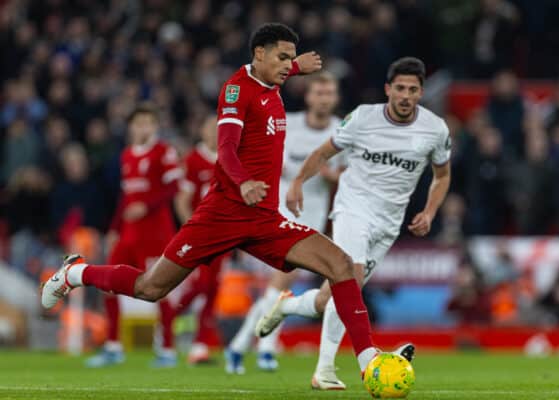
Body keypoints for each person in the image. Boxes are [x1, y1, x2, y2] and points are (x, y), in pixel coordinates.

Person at [42, 23, 385, 382]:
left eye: (290, 59)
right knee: (150, 288)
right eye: (282, 58)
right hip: (222, 214)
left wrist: (297, 66)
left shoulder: (273, 81)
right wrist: (244, 182)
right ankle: (75, 272)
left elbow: (278, 71)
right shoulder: (236, 90)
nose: (288, 65)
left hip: (265, 218)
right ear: (259, 54)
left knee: (342, 266)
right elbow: (224, 149)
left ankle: (369, 363)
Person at [256, 57, 451, 389]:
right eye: (400, 88)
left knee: (327, 299)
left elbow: (442, 175)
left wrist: (430, 211)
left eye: (413, 90)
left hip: (389, 223)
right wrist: (297, 182)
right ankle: (330, 370)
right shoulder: (362, 118)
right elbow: (322, 153)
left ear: (421, 93)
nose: (406, 95)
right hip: (353, 209)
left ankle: (286, 305)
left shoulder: (435, 129)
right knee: (352, 280)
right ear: (388, 89)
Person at [225, 71, 344, 374]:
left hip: (313, 216)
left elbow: (347, 175)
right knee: (283, 280)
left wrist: (332, 176)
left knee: (279, 285)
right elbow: (264, 155)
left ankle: (238, 346)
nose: (323, 99)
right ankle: (266, 348)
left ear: (335, 98)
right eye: (319, 93)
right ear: (308, 96)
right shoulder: (286, 123)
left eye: (329, 93)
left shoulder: (340, 130)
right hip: (279, 211)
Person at [85, 102, 183, 368]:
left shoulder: (164, 151)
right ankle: (113, 346)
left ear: (155, 126)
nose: (143, 127)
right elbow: (126, 197)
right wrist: (114, 229)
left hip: (156, 233)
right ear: (131, 127)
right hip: (129, 234)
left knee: (158, 289)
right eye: (138, 123)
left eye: (148, 123)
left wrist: (147, 205)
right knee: (108, 284)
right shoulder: (127, 154)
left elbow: (174, 187)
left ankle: (167, 350)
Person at [171, 115, 225, 364]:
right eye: (210, 129)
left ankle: (200, 344)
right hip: (200, 235)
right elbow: (181, 200)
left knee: (212, 288)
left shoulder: (231, 158)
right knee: (203, 285)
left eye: (219, 129)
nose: (215, 134)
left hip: (223, 235)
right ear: (202, 131)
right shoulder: (193, 160)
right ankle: (172, 316)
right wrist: (192, 229)